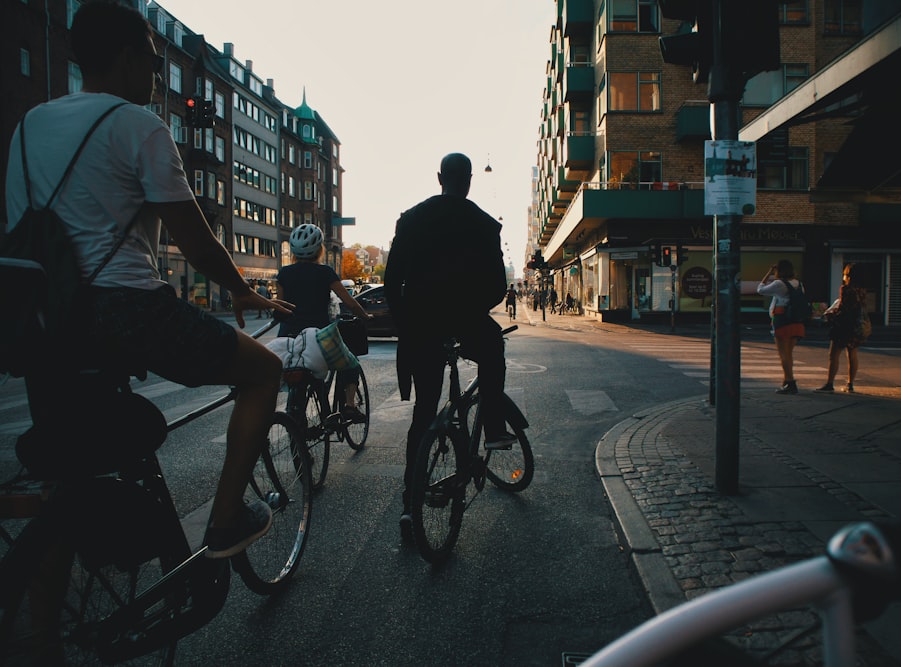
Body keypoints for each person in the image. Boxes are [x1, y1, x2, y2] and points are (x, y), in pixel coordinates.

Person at [4, 1, 293, 558]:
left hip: (46, 323)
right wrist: (240, 287)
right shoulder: (139, 125)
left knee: (70, 469)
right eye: (155, 63)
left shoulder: (26, 128)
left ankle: (40, 639)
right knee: (264, 372)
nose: (157, 77)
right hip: (127, 309)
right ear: (130, 58)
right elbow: (196, 239)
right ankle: (226, 519)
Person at [384, 152, 517, 540]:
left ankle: (411, 501)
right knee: (492, 350)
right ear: (469, 180)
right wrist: (469, 310)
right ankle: (493, 425)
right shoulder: (483, 223)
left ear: (439, 177)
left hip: (421, 325)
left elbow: (393, 281)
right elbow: (497, 285)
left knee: (425, 412)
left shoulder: (411, 219)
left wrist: (406, 321)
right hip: (466, 319)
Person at [275, 223, 372, 422]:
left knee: (288, 379)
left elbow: (281, 306)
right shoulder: (325, 272)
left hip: (289, 336)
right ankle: (349, 406)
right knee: (350, 363)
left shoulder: (284, 273)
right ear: (320, 249)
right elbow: (349, 302)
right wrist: (364, 316)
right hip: (319, 337)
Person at [816, 263, 867, 393]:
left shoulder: (845, 289)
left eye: (845, 274)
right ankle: (850, 384)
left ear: (848, 276)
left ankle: (829, 383)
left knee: (834, 355)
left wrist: (829, 314)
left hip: (842, 326)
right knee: (852, 355)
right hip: (855, 326)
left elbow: (843, 309)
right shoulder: (862, 291)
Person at [757, 260, 805, 394]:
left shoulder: (779, 284)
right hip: (797, 322)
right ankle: (787, 380)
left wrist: (768, 274)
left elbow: (760, 290)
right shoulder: (798, 283)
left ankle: (790, 382)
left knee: (783, 354)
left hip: (782, 320)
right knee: (789, 353)